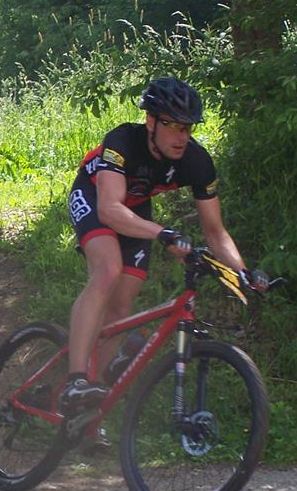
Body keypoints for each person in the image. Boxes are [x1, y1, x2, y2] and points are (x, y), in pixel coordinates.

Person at [60, 76, 268, 415]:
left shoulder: (196, 162)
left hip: (135, 208)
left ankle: (87, 408)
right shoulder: (123, 141)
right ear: (151, 121)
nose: (183, 137)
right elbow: (109, 209)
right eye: (175, 126)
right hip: (96, 195)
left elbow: (215, 232)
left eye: (188, 128)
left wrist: (243, 273)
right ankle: (76, 380)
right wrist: (162, 233)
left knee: (121, 306)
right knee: (108, 270)